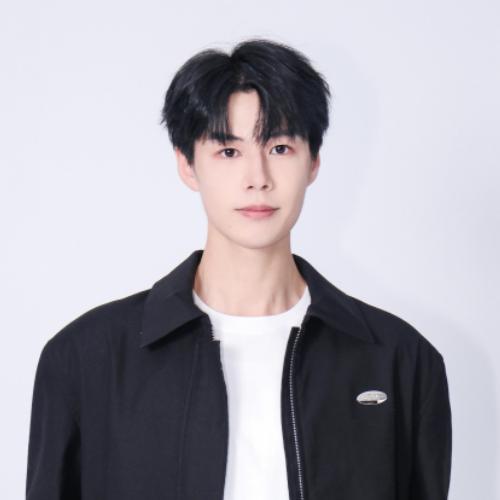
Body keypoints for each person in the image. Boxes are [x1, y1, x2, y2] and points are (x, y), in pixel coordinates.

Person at [26, 38, 452, 500]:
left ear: (313, 163)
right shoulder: (86, 358)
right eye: (229, 152)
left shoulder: (400, 360)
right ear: (187, 165)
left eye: (280, 148)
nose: (258, 178)